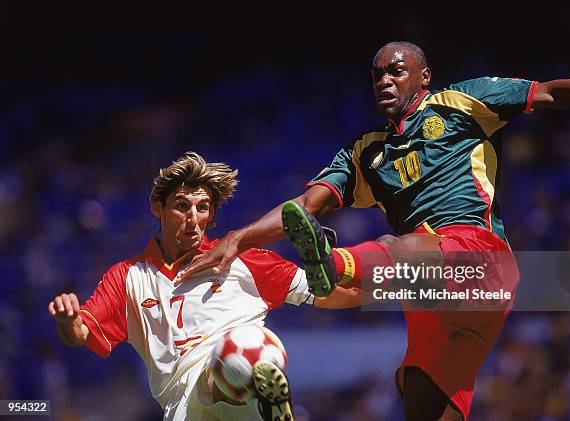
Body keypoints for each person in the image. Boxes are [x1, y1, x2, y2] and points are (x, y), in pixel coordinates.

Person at [175, 42, 570, 420]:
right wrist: (237, 237)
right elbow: (306, 207)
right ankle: (335, 268)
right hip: (430, 297)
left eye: (395, 71)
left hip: (479, 259)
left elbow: (553, 93)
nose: (384, 80)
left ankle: (333, 262)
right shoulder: (364, 152)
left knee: (395, 248)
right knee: (422, 401)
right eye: (377, 74)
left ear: (424, 77)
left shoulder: (462, 102)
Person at [48, 152, 359, 421]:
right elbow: (79, 336)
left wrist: (399, 292)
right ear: (158, 208)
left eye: (202, 208)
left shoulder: (244, 259)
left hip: (239, 391)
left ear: (211, 215)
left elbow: (327, 294)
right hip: (182, 408)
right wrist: (68, 319)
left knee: (242, 346)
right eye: (182, 206)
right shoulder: (128, 277)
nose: (192, 218)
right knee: (230, 363)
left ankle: (257, 390)